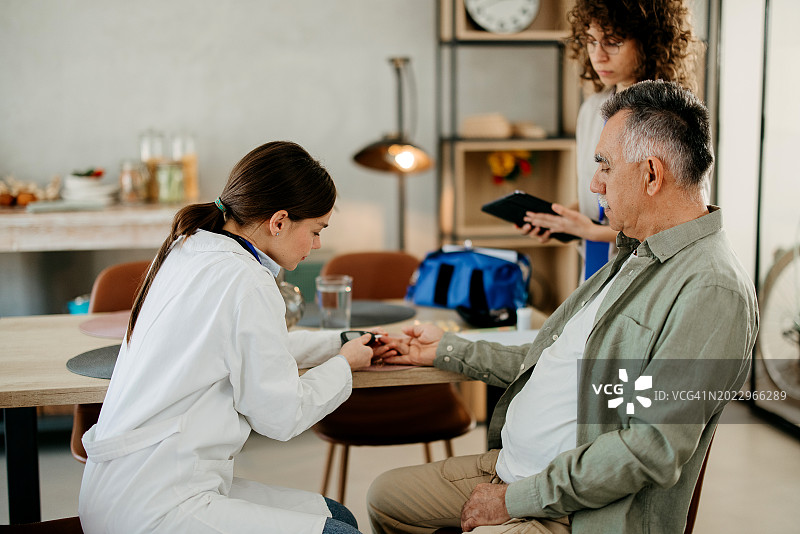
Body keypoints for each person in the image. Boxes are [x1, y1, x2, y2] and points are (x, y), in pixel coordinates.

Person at [368, 81, 758, 534]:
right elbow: (550, 358)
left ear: (651, 174)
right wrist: (445, 350)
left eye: (604, 166)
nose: (594, 184)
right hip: (512, 471)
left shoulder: (711, 290)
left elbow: (650, 446)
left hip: (574, 515)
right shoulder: (634, 252)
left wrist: (514, 501)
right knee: (385, 500)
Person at [79, 141, 377, 534]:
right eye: (316, 231)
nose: (317, 245)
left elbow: (249, 350)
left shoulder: (189, 246)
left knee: (338, 518)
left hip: (125, 484)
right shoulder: (247, 280)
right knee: (342, 533)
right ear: (280, 221)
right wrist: (345, 365)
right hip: (156, 504)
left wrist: (341, 342)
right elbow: (281, 415)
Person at [521, 0, 700, 280]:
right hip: (593, 271)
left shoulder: (674, 119)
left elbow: (678, 219)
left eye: (612, 42)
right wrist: (560, 220)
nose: (598, 55)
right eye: (591, 42)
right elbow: (601, 196)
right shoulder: (592, 110)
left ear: (649, 42)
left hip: (643, 274)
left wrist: (590, 231)